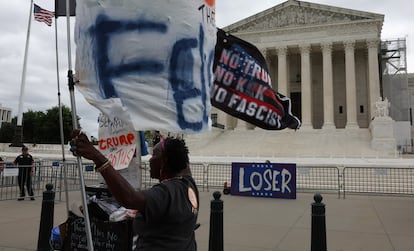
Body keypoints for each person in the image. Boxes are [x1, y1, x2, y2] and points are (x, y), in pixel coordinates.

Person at [70, 130, 199, 251]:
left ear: (164, 161)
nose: (150, 160)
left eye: (154, 155)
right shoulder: (189, 183)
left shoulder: (165, 193)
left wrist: (97, 156)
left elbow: (129, 198)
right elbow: (183, 161)